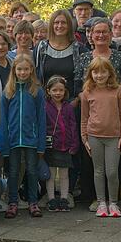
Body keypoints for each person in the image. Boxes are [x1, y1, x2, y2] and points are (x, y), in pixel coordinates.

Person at [0, 55, 47, 219]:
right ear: (14, 70)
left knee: (32, 171)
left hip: (31, 139)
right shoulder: (8, 91)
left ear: (31, 70)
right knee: (13, 172)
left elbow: (42, 119)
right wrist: (4, 142)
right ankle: (13, 202)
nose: (22, 72)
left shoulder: (37, 91)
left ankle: (33, 202)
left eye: (26, 69)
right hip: (13, 140)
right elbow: (3, 118)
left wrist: (41, 144)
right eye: (19, 69)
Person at [81, 58, 121, 218]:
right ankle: (101, 202)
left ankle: (113, 202)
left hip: (113, 137)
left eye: (103, 72)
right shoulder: (87, 92)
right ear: (90, 74)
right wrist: (84, 138)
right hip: (94, 136)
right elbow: (84, 117)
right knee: (98, 171)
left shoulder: (118, 90)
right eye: (95, 72)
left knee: (112, 172)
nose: (99, 75)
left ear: (110, 73)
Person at [34, 9, 88, 99]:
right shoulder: (41, 48)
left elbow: (86, 79)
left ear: (69, 25)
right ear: (51, 25)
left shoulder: (79, 50)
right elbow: (35, 77)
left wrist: (77, 100)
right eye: (56, 22)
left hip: (71, 105)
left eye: (63, 22)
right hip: (46, 104)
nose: (59, 26)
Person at [43, 76, 78, 212]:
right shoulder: (45, 107)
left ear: (65, 91)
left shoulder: (68, 107)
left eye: (61, 90)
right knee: (50, 175)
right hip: (51, 146)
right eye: (54, 90)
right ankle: (51, 199)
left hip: (66, 146)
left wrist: (74, 144)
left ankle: (64, 198)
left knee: (64, 174)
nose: (58, 93)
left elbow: (73, 125)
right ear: (48, 91)